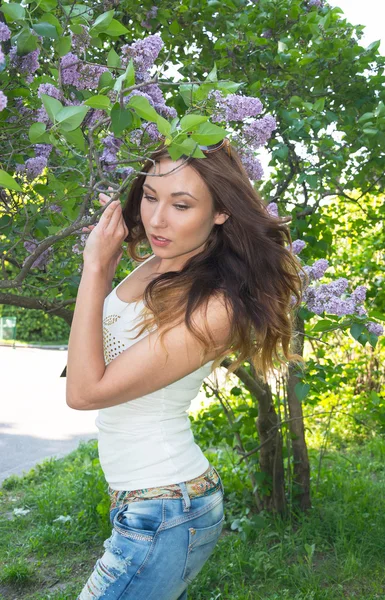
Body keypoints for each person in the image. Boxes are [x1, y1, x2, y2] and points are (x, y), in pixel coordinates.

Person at [67, 138, 306, 599]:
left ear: (221, 211)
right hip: (148, 501)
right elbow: (95, 354)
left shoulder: (216, 306)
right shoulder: (158, 263)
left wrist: (95, 270)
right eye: (151, 197)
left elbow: (83, 392)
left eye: (181, 204)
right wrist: (107, 262)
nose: (157, 219)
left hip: (165, 509)